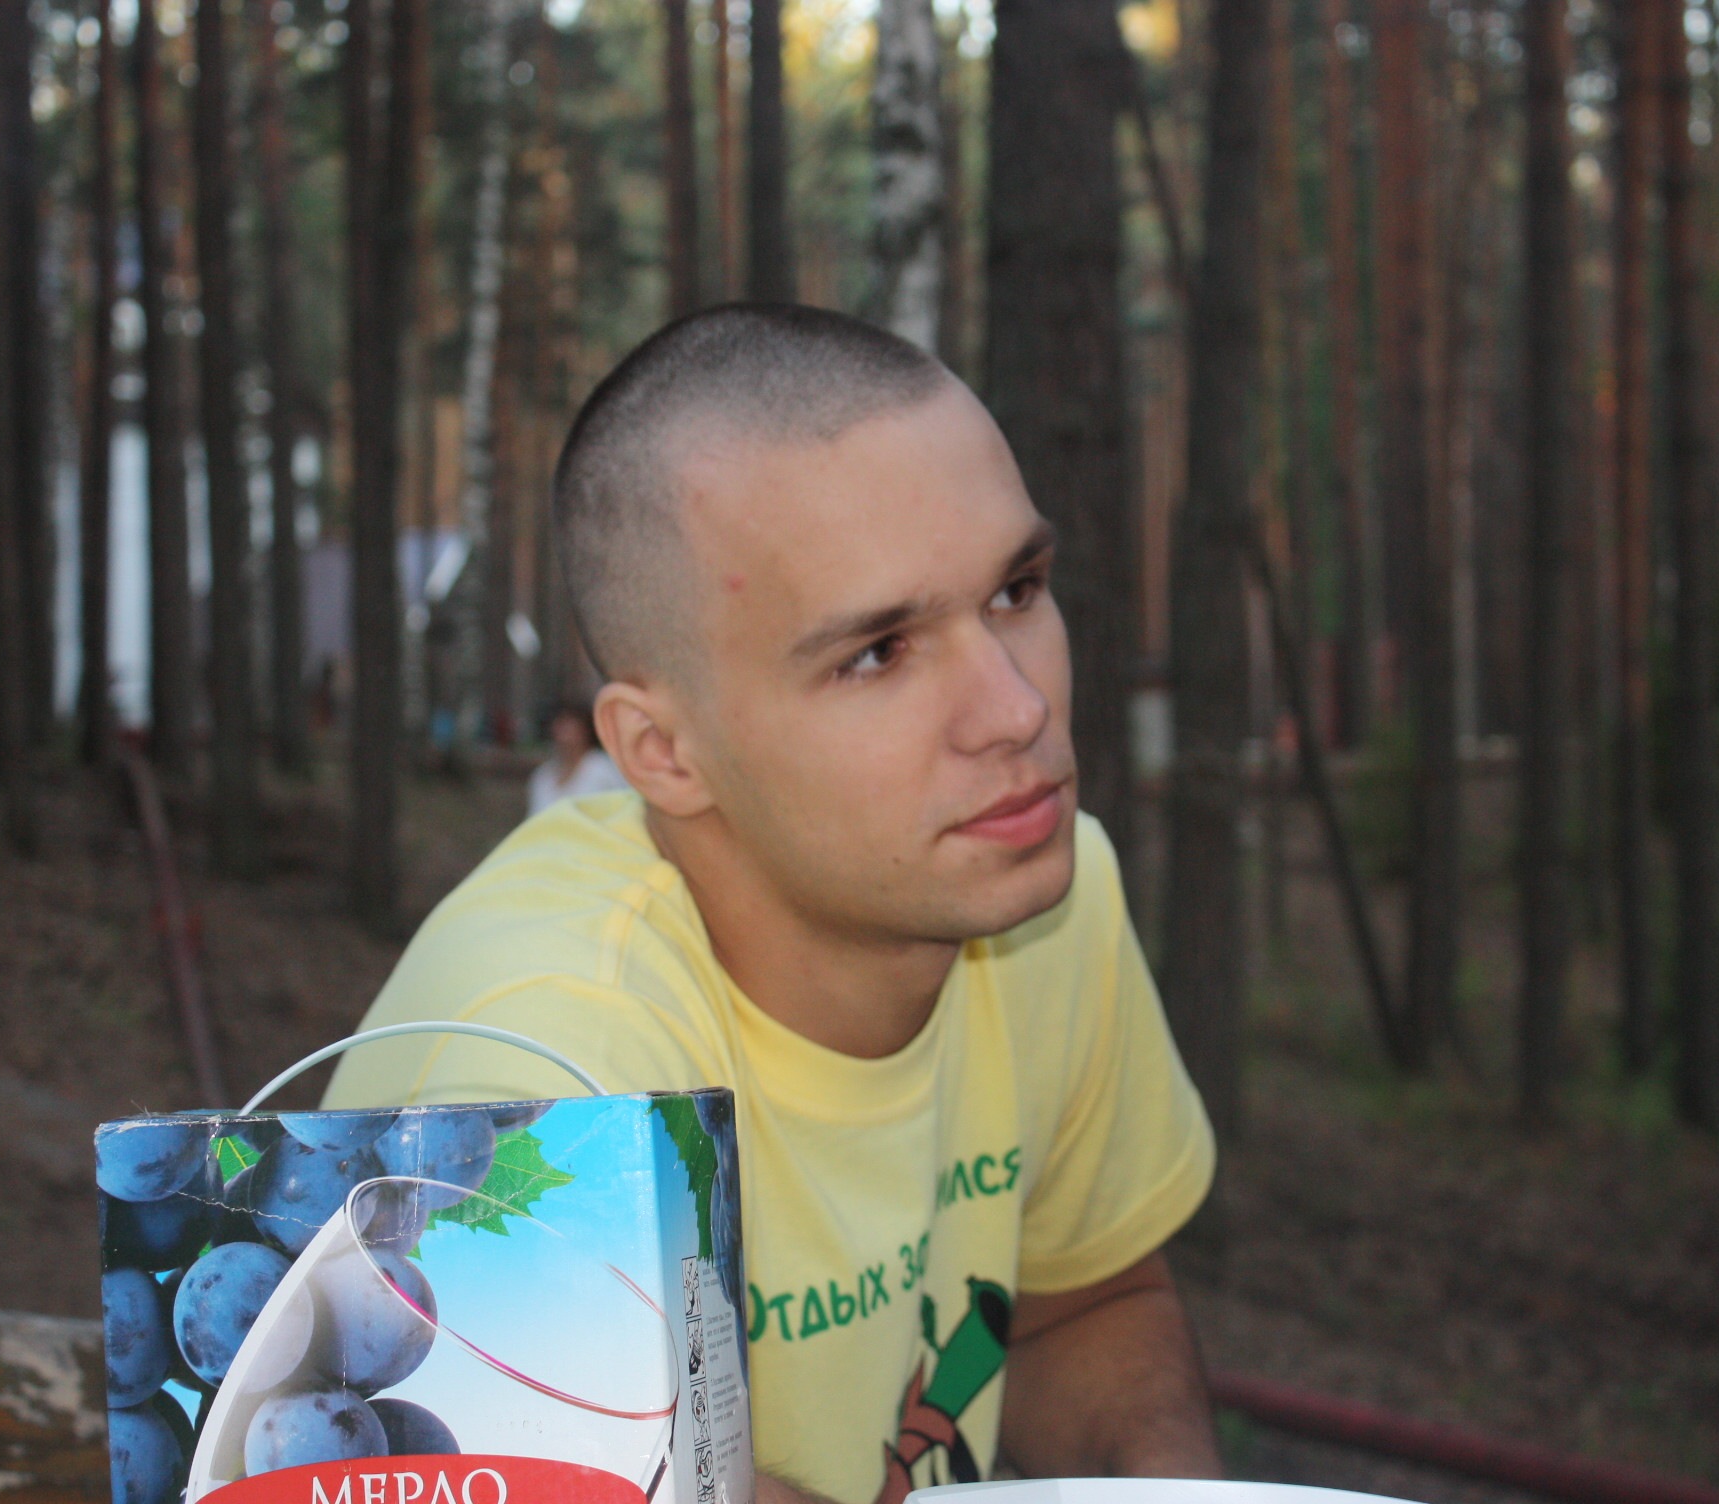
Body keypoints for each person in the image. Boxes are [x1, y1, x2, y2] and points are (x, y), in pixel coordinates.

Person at [324, 305, 1221, 1504]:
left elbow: (1079, 1305)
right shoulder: (542, 1063)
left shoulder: (1036, 893)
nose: (1017, 709)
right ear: (664, 752)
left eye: (1016, 590)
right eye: (878, 652)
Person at [527, 699, 631, 815]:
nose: (563, 735)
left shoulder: (604, 767)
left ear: (585, 731)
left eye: (569, 727)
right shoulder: (542, 776)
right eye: (560, 727)